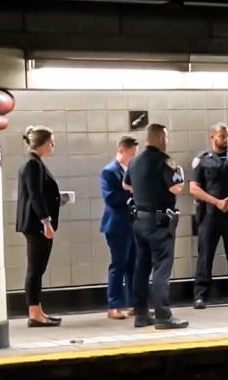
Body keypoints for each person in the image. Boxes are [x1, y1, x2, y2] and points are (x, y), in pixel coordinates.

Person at [123, 123, 189, 329]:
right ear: (160, 138)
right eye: (166, 137)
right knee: (162, 267)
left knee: (141, 267)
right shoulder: (164, 161)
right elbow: (176, 187)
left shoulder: (134, 161)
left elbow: (126, 185)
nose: (167, 141)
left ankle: (141, 314)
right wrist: (181, 173)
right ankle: (163, 316)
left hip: (139, 221)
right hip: (159, 224)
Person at [189, 122, 228, 309]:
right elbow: (194, 188)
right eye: (221, 136)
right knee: (205, 256)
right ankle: (200, 296)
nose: (225, 139)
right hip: (210, 216)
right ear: (213, 137)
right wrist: (216, 202)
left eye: (227, 136)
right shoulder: (202, 159)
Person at [16, 125, 67, 328]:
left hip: (36, 222)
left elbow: (39, 193)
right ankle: (34, 313)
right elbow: (35, 195)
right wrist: (46, 222)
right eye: (52, 141)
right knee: (36, 269)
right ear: (45, 142)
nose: (53, 145)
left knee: (38, 268)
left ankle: (38, 310)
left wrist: (57, 199)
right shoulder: (32, 164)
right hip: (36, 224)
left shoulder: (34, 162)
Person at [100, 135, 139, 319]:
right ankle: (113, 305)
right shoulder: (109, 172)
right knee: (119, 264)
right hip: (116, 225)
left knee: (134, 264)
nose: (134, 159)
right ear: (121, 151)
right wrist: (131, 191)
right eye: (131, 155)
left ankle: (134, 303)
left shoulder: (133, 172)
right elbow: (111, 198)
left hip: (133, 224)